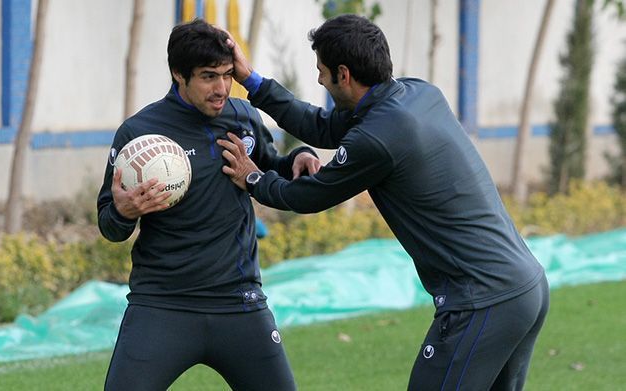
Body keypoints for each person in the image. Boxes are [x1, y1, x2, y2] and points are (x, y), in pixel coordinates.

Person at [218, 14, 549, 391]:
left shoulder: (377, 137)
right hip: (526, 287)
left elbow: (306, 196)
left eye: (322, 71)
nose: (319, 80)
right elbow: (321, 126)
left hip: (484, 301)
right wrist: (251, 80)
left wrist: (254, 177)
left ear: (344, 74)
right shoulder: (419, 93)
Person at [97, 19, 319, 390]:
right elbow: (109, 223)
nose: (221, 89)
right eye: (208, 77)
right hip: (162, 305)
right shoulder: (138, 133)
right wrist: (124, 212)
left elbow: (267, 168)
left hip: (240, 302)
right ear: (178, 75)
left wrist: (296, 159)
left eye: (227, 75)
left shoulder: (243, 117)